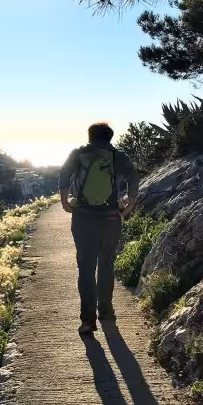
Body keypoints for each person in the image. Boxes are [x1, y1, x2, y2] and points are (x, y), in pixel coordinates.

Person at [59, 122, 139, 334]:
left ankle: (87, 321)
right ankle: (105, 312)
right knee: (106, 265)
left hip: (83, 217)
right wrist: (129, 204)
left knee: (85, 269)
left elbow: (64, 173)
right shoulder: (117, 156)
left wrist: (65, 201)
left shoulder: (78, 154)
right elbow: (133, 176)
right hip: (110, 218)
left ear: (90, 136)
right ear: (110, 137)